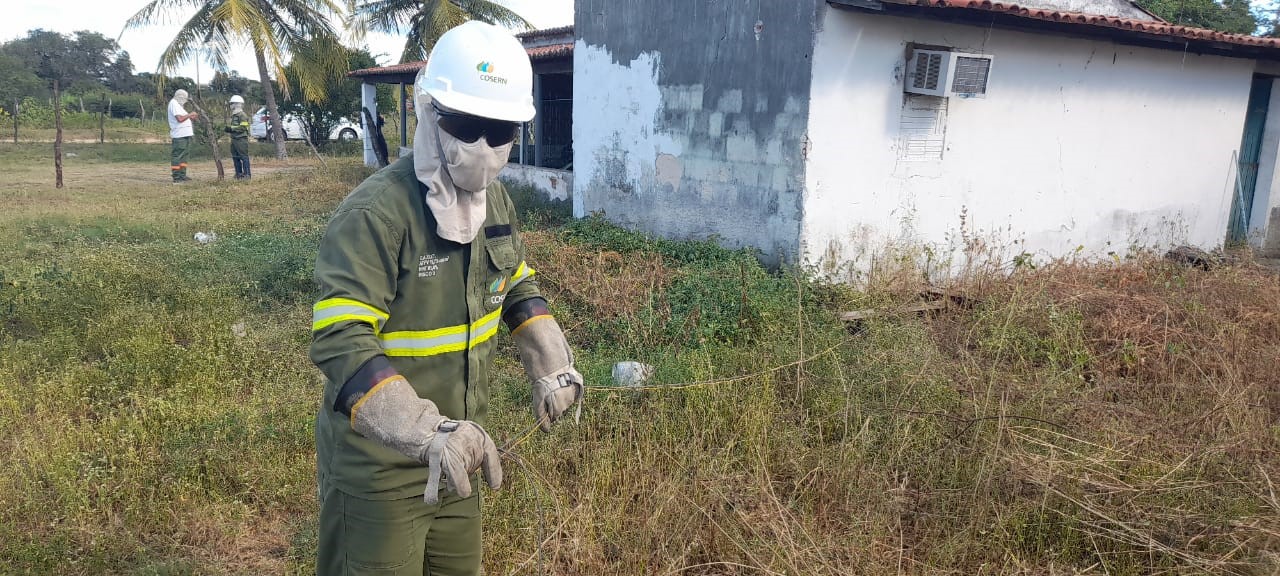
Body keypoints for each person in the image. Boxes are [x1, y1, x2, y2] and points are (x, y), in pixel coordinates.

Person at [309, 21, 583, 576]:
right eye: (468, 125)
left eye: (499, 130)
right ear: (430, 112)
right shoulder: (376, 214)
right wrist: (423, 432)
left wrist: (551, 363)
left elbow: (517, 285)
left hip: (463, 453)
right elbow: (341, 341)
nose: (484, 147)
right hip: (384, 467)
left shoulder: (495, 201)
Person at [166, 89, 197, 182]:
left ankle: (182, 175)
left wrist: (190, 117)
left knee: (184, 156)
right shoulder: (174, 103)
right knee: (178, 156)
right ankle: (176, 177)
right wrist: (190, 114)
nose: (185, 101)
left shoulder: (179, 105)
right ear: (180, 97)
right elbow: (179, 119)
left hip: (185, 134)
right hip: (179, 135)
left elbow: (183, 117)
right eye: (184, 99)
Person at [224, 95, 251, 179]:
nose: (231, 105)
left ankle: (247, 175)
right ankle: (238, 174)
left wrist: (231, 129)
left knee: (244, 157)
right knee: (235, 157)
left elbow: (243, 127)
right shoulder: (234, 115)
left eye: (232, 104)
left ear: (237, 104)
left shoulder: (242, 115)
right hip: (234, 139)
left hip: (241, 139)